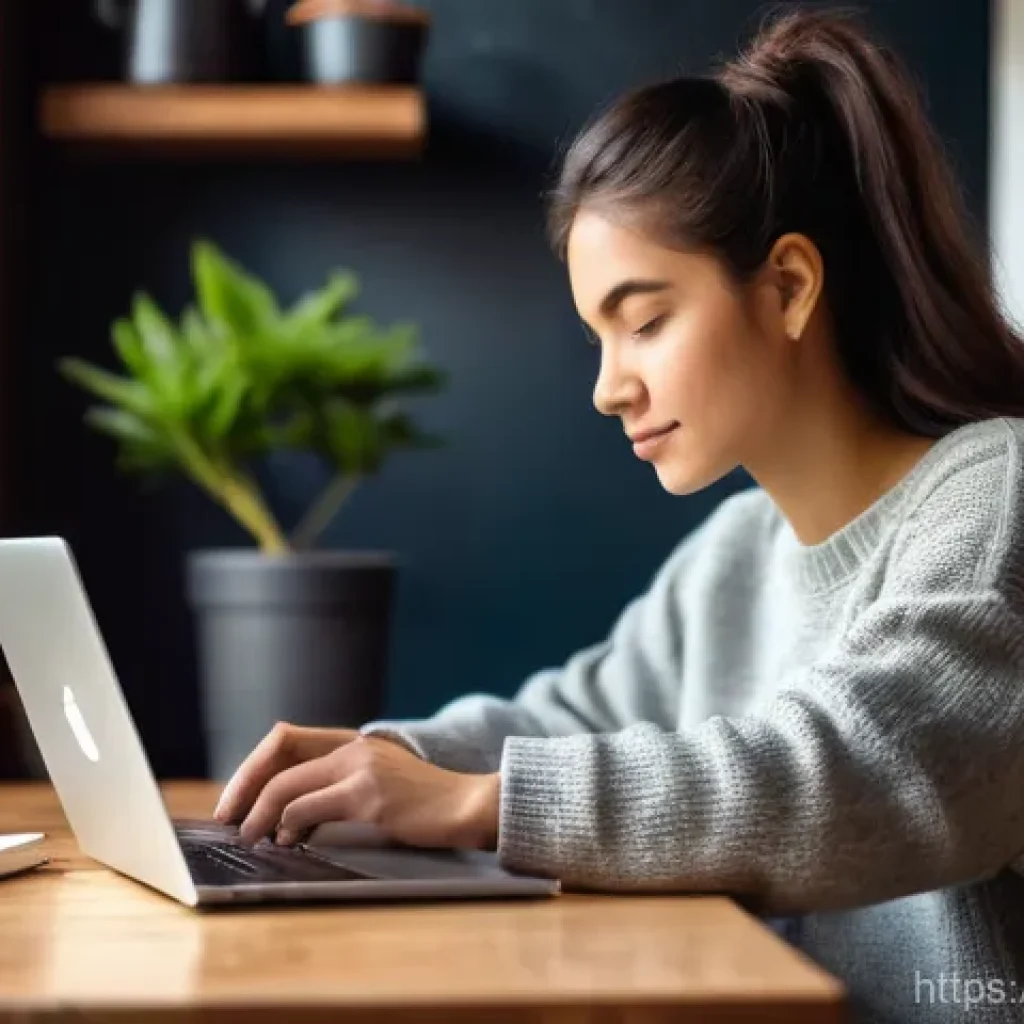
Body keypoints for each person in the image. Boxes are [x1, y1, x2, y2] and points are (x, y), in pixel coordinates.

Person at [213, 8, 1024, 1023]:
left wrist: (481, 803)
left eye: (644, 322)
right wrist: (382, 763)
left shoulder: (994, 499)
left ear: (787, 286)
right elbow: (575, 717)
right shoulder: (737, 553)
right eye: (601, 335)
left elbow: (866, 762)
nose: (608, 387)